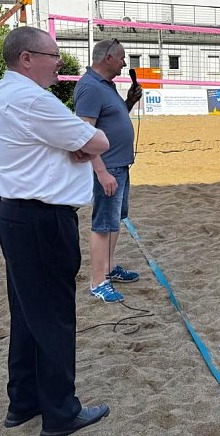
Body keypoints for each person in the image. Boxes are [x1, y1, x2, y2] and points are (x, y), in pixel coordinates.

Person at [0, 27, 111, 434]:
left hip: (17, 215)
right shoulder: (30, 98)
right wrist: (84, 142)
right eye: (53, 54)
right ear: (26, 58)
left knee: (26, 312)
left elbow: (77, 140)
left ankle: (23, 401)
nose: (60, 61)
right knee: (53, 316)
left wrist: (78, 143)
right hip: (39, 219)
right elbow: (99, 140)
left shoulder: (11, 93)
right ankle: (60, 412)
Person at [74, 38, 143, 304]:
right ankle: (98, 282)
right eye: (122, 57)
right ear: (108, 58)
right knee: (103, 224)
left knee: (114, 220)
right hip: (109, 166)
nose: (125, 63)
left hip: (118, 164)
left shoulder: (105, 86)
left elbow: (111, 120)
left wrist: (129, 103)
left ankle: (109, 268)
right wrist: (101, 172)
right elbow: (84, 134)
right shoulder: (90, 87)